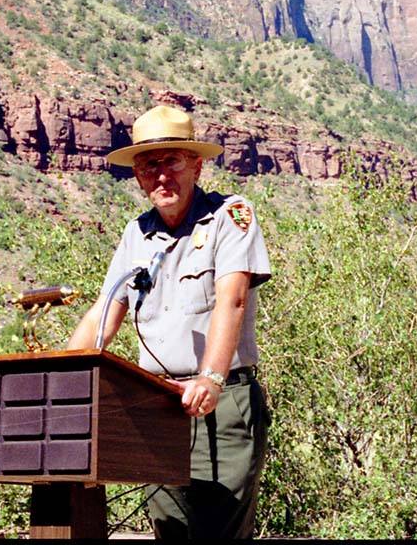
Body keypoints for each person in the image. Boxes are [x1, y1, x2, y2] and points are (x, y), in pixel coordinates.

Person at [67, 104, 271, 540]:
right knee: (170, 532)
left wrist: (211, 378)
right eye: (148, 165)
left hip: (222, 403)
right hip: (157, 408)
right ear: (138, 176)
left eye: (172, 161)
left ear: (196, 165)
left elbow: (231, 300)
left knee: (219, 533)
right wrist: (60, 381)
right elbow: (104, 314)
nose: (161, 175)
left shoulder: (230, 217)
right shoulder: (136, 234)